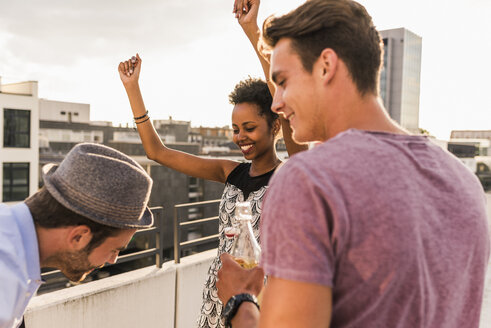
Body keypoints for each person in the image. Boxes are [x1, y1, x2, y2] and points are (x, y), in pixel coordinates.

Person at [216, 0, 491, 327]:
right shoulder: (463, 183)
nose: (277, 102)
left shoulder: (309, 181)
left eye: (284, 81)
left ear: (325, 66)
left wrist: (238, 300)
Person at [118, 26, 304, 325]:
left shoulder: (292, 175)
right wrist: (132, 88)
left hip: (261, 304)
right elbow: (157, 152)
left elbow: (282, 102)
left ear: (276, 125)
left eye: (249, 127)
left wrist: (252, 31)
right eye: (235, 129)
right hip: (217, 301)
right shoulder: (229, 171)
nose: (240, 136)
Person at [0, 143, 154, 328]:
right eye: (114, 250)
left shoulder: (14, 255)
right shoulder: (6, 280)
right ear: (79, 236)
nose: (113, 260)